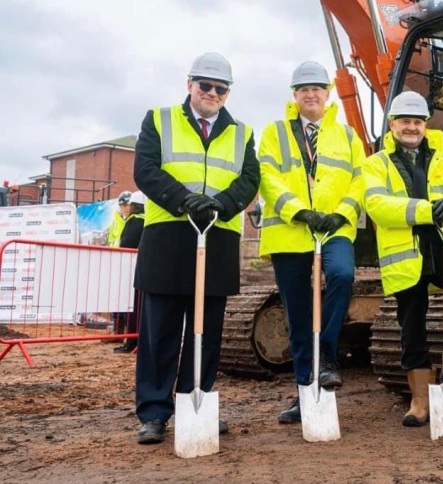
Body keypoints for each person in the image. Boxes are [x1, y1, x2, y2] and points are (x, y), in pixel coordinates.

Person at [132, 52, 259, 444]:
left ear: (228, 92)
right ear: (190, 84)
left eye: (221, 88)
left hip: (217, 237)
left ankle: (195, 401)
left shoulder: (242, 132)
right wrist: (183, 200)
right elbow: (145, 169)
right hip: (169, 235)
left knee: (207, 330)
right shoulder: (159, 119)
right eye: (205, 85)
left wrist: (221, 204)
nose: (213, 93)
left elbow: (250, 177)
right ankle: (154, 412)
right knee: (160, 331)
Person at [363, 91, 443, 427]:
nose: (412, 127)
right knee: (411, 321)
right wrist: (427, 209)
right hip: (407, 256)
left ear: (425, 124)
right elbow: (376, 204)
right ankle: (419, 399)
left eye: (417, 121)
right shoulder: (376, 163)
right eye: (405, 121)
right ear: (392, 125)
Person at [258, 61, 366, 425]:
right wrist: (299, 211)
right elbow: (268, 177)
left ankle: (328, 355)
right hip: (290, 230)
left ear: (327, 93)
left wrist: (341, 214)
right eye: (303, 89)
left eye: (316, 88)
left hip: (334, 227)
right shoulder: (275, 132)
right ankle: (306, 389)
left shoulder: (347, 135)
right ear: (294, 95)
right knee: (298, 312)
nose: (310, 94)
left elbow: (359, 180)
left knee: (341, 275)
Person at [114, 191, 146, 354]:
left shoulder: (135, 221)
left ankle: (132, 341)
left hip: (132, 270)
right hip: (144, 268)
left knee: (133, 307)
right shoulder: (148, 221)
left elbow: (127, 244)